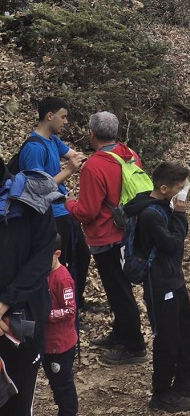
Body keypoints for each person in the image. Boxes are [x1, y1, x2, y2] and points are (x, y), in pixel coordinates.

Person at [65, 111, 148, 366]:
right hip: (128, 232)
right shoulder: (129, 154)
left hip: (105, 236)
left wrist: (68, 203)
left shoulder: (94, 165)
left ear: (91, 133)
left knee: (118, 292)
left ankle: (134, 346)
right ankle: (121, 333)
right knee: (120, 288)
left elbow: (87, 211)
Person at [0, 169, 57, 416]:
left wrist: (4, 303)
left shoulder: (33, 197)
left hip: (20, 323)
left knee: (17, 407)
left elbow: (40, 259)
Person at [124, 161, 190, 413]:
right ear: (164, 188)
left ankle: (184, 379)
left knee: (186, 329)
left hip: (174, 278)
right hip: (159, 283)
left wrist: (178, 215)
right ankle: (161, 392)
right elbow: (172, 244)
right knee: (167, 338)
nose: (183, 192)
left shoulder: (164, 206)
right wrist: (181, 215)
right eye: (179, 187)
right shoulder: (150, 214)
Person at [16, 97, 89, 309]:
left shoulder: (53, 141)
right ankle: (57, 308)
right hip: (50, 214)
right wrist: (69, 170)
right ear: (49, 116)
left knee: (81, 255)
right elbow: (37, 188)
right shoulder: (34, 148)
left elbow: (74, 155)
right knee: (59, 262)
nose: (66, 122)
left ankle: (76, 303)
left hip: (64, 208)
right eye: (63, 117)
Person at [38, 235, 80, 416]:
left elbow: (70, 310)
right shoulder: (42, 274)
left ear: (57, 254)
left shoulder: (62, 279)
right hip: (47, 343)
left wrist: (46, 315)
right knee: (55, 383)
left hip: (61, 344)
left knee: (63, 384)